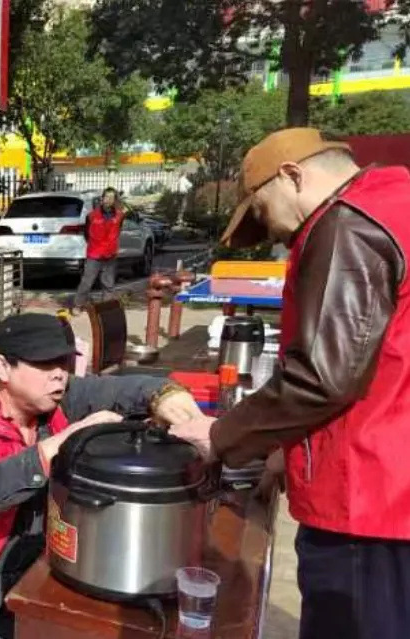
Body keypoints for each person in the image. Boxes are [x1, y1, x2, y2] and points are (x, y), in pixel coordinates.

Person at [170, 127, 410, 639]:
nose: (274, 234)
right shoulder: (394, 202)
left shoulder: (347, 225)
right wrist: (287, 447)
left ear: (292, 175)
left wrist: (221, 436)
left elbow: (324, 377)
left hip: (367, 502)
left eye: (261, 210)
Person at [0, 313, 205, 639]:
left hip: (31, 559)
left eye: (63, 362)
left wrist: (164, 394)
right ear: (3, 367)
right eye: (44, 364)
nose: (59, 375)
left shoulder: (58, 397)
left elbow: (121, 388)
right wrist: (56, 446)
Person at [72, 187, 125, 310]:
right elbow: (87, 234)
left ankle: (106, 307)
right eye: (106, 197)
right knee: (87, 282)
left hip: (110, 254)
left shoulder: (120, 216)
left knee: (108, 284)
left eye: (111, 197)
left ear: (114, 200)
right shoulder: (91, 216)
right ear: (102, 198)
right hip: (94, 254)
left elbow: (118, 231)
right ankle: (78, 304)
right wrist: (95, 245)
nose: (108, 200)